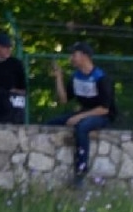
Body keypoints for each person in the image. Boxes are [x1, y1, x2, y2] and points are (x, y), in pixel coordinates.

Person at [46, 42, 116, 187]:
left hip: (102, 115)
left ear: (84, 56)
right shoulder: (76, 77)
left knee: (82, 127)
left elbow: (104, 108)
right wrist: (59, 77)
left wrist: (79, 117)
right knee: (51, 123)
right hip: (85, 113)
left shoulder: (100, 77)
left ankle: (81, 170)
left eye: (74, 54)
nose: (71, 58)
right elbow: (64, 99)